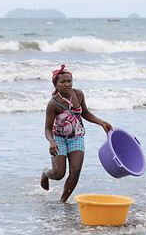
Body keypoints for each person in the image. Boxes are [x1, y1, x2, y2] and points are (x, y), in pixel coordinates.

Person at [41, 64, 113, 202]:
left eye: (69, 81)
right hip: (59, 138)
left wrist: (102, 123)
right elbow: (47, 128)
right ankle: (45, 172)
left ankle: (62, 201)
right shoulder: (53, 104)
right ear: (56, 84)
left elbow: (85, 113)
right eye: (63, 82)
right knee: (59, 173)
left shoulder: (78, 94)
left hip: (76, 137)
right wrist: (52, 142)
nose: (67, 84)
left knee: (75, 171)